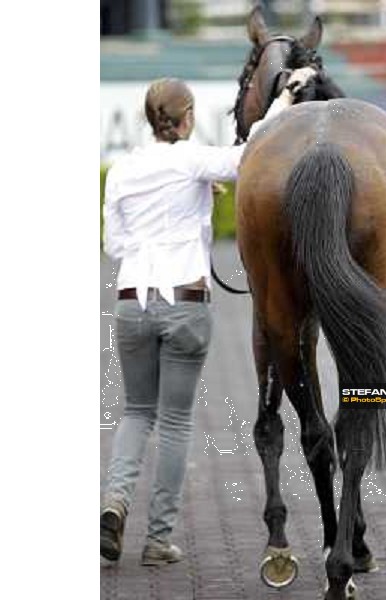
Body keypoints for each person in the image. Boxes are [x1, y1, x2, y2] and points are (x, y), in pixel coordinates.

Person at [100, 67, 317, 566]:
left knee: (135, 413)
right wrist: (284, 97)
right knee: (174, 422)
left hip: (132, 301)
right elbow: (252, 151)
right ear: (187, 118)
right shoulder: (194, 160)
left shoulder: (121, 170)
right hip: (185, 304)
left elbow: (113, 244)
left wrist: (186, 203)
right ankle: (157, 540)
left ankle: (115, 502)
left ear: (150, 120)